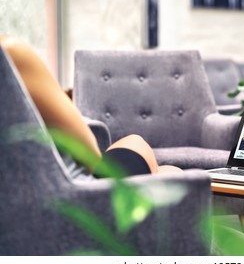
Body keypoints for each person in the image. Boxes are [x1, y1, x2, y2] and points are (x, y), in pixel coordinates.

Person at [0, 35, 181, 177]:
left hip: (26, 200)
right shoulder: (10, 53)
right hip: (78, 195)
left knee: (166, 171)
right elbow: (90, 156)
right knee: (146, 151)